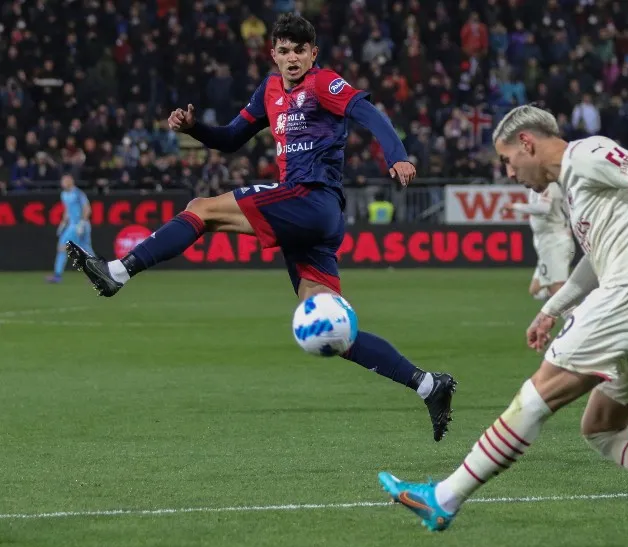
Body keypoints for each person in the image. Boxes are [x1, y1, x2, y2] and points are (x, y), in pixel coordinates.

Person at [65, 13, 456, 442]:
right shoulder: (269, 90)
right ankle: (428, 385)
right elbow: (232, 138)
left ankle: (118, 272)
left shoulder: (324, 83)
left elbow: (370, 113)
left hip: (312, 201)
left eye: (300, 51)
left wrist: (396, 155)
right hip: (306, 220)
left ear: (313, 54)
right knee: (333, 328)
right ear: (273, 54)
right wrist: (195, 129)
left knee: (202, 207)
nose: (292, 59)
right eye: (284, 51)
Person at [377, 105, 628, 547]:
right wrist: (552, 309)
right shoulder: (577, 188)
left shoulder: (586, 153)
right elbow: (593, 262)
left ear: (528, 142)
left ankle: (443, 499)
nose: (510, 171)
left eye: (509, 160)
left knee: (535, 397)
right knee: (603, 427)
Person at [502, 182, 574, 300]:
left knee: (556, 289)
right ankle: (568, 309)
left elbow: (544, 208)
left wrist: (515, 206)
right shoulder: (537, 187)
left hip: (555, 242)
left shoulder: (549, 185)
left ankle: (575, 315)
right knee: (536, 291)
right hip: (548, 242)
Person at [47, 174, 91, 283]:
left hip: (78, 225)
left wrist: (81, 223)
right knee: (86, 250)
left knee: (62, 246)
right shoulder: (64, 194)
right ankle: (97, 274)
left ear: (70, 181)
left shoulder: (78, 193)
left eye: (65, 181)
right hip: (73, 225)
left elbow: (87, 209)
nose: (62, 183)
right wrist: (63, 223)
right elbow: (68, 210)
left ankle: (57, 275)